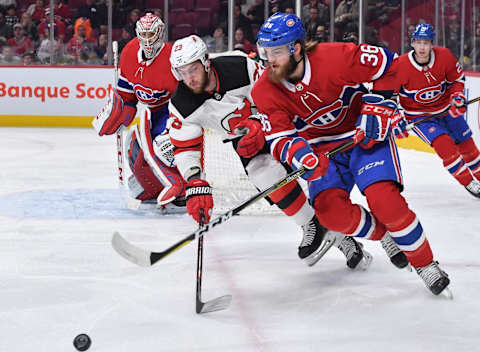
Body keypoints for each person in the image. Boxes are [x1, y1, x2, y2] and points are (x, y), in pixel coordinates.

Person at [244, 13, 450, 296]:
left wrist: (378, 106)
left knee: (386, 202)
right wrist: (301, 156)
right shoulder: (264, 90)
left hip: (364, 137)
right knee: (331, 215)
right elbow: (279, 138)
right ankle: (385, 235)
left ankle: (426, 264)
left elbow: (390, 65)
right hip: (321, 152)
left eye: (276, 52)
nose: (269, 59)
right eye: (265, 52)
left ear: (297, 48)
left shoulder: (336, 57)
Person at [167, 34, 371, 269]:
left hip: (279, 123)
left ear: (205, 61)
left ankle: (351, 225)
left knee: (315, 175)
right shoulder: (181, 104)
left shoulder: (239, 66)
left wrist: (258, 120)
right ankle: (314, 226)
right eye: (182, 72)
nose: (189, 78)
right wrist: (194, 182)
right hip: (245, 142)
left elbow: (273, 92)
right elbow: (185, 147)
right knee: (263, 175)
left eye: (192, 69)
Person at [92, 13, 186, 211]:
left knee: (163, 146)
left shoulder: (173, 58)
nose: (147, 39)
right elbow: (128, 95)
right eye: (143, 34)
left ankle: (183, 188)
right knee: (134, 146)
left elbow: (187, 97)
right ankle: (151, 188)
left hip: (173, 109)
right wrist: (119, 114)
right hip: (152, 112)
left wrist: (176, 125)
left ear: (160, 34)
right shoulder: (129, 52)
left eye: (151, 34)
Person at [377, 24, 480, 198]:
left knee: (468, 146)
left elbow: (456, 80)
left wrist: (457, 96)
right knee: (445, 145)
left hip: (447, 110)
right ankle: (469, 182)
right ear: (412, 43)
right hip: (420, 117)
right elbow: (388, 97)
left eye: (426, 42)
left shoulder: (444, 56)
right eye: (418, 42)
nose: (422, 47)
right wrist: (394, 117)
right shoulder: (400, 65)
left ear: (432, 43)